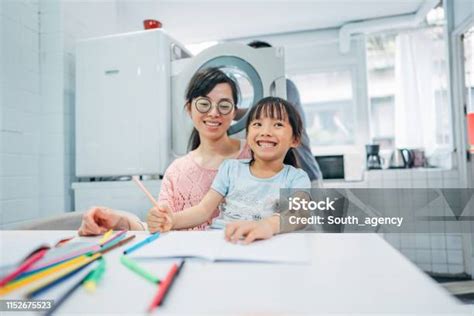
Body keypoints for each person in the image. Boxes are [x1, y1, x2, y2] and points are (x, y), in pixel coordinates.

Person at [78, 67, 251, 236]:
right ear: (189, 109)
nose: (214, 113)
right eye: (204, 104)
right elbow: (162, 226)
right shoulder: (176, 172)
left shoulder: (255, 153)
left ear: (234, 111)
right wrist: (119, 222)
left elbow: (279, 211)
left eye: (224, 105)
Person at [147, 97, 311, 244]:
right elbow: (203, 211)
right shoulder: (230, 168)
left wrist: (267, 226)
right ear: (248, 136)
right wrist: (171, 220)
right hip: (222, 241)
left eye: (278, 125)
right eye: (257, 124)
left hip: (266, 245)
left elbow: (298, 215)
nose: (265, 132)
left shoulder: (297, 178)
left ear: (295, 140)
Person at [247, 40, 323, 185]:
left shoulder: (284, 86)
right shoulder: (258, 94)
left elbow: (270, 113)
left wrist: (230, 113)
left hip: (306, 175)